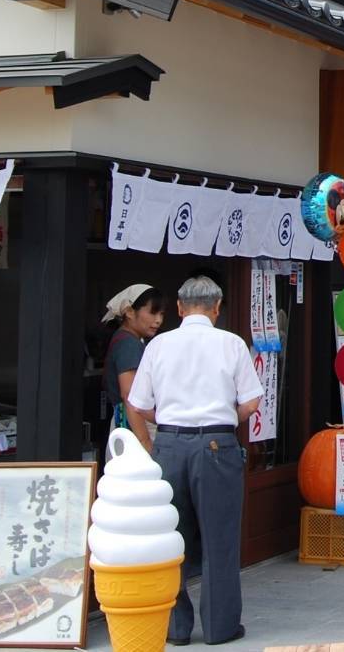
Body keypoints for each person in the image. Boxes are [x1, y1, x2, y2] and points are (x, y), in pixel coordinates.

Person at [124, 275, 262, 646]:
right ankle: (220, 628)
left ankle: (175, 629)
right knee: (221, 538)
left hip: (169, 444)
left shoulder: (159, 345)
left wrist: (167, 423)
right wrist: (222, 416)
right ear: (217, 308)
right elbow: (251, 402)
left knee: (170, 539)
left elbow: (138, 403)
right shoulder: (232, 344)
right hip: (217, 444)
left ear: (181, 308)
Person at [101, 283, 165, 451]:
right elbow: (130, 397)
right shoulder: (129, 344)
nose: (158, 320)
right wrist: (145, 443)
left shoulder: (126, 340)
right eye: (152, 312)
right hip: (134, 428)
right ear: (129, 312)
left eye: (161, 314)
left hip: (125, 425)